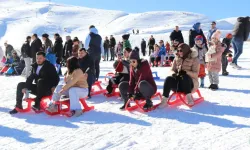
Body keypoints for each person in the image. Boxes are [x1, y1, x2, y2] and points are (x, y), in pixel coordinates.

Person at [159, 43, 199, 108]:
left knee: (184, 76)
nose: (179, 52)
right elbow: (172, 70)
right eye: (178, 50)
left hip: (190, 84)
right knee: (168, 79)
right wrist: (173, 74)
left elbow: (196, 74)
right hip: (178, 84)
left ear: (186, 50)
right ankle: (164, 100)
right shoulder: (176, 58)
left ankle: (188, 97)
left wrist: (186, 72)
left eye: (181, 51)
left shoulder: (194, 59)